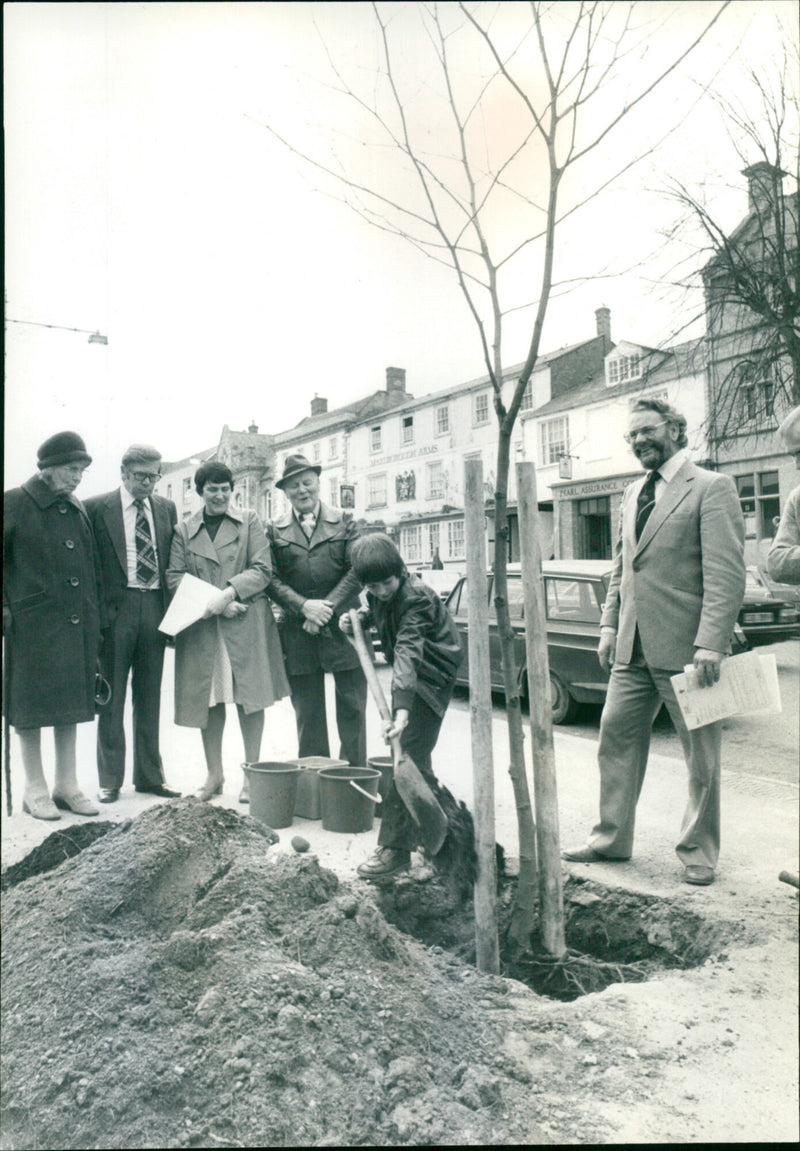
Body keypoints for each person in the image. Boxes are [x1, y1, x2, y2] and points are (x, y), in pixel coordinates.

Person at [563, 399, 746, 886]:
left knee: (701, 758)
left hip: (690, 653)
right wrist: (607, 626)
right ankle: (610, 839)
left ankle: (698, 852)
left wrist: (712, 642)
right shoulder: (631, 492)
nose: (638, 441)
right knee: (615, 740)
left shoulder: (711, 487)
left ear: (675, 429)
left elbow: (726, 576)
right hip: (630, 650)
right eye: (632, 436)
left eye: (646, 431)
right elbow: (623, 568)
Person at [340, 533, 463, 879]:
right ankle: (448, 833)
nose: (381, 592)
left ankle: (395, 851)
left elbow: (408, 649)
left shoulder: (417, 598)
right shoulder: (380, 592)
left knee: (406, 754)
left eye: (386, 583)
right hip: (411, 676)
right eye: (372, 586)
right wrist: (358, 620)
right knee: (416, 761)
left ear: (401, 570)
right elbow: (375, 610)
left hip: (431, 677)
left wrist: (402, 711)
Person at [166, 461, 289, 801]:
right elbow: (174, 577)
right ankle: (214, 775)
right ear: (200, 491)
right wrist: (215, 602)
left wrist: (230, 593)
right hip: (204, 626)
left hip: (244, 620)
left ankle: (252, 775)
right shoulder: (184, 530)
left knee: (250, 699)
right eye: (212, 489)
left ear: (231, 490)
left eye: (225, 489)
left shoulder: (250, 521)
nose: (219, 495)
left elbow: (263, 569)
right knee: (210, 699)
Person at [3, 433, 102, 820]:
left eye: (81, 471)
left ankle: (67, 784)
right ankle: (35, 788)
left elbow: (88, 567)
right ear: (47, 469)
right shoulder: (13, 502)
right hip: (30, 626)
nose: (78, 478)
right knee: (28, 707)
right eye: (71, 469)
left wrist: (95, 619)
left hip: (75, 624)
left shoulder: (75, 506)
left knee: (70, 706)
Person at [84, 445, 180, 803]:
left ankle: (150, 777)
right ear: (123, 472)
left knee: (150, 695)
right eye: (140, 475)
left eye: (154, 476)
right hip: (116, 609)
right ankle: (110, 779)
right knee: (111, 698)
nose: (147, 483)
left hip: (154, 605)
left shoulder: (166, 508)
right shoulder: (96, 508)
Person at [267, 453, 367, 767]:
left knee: (352, 708)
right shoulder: (274, 530)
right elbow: (269, 577)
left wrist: (324, 609)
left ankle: (352, 781)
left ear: (318, 482)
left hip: (344, 628)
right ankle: (315, 783)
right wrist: (303, 607)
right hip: (298, 630)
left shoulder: (346, 520)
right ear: (285, 492)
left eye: (307, 482)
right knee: (307, 713)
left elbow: (358, 570)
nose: (302, 490)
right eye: (294, 485)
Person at [767, 406, 800, 585]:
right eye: (793, 455)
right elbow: (776, 562)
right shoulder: (798, 498)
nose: (797, 465)